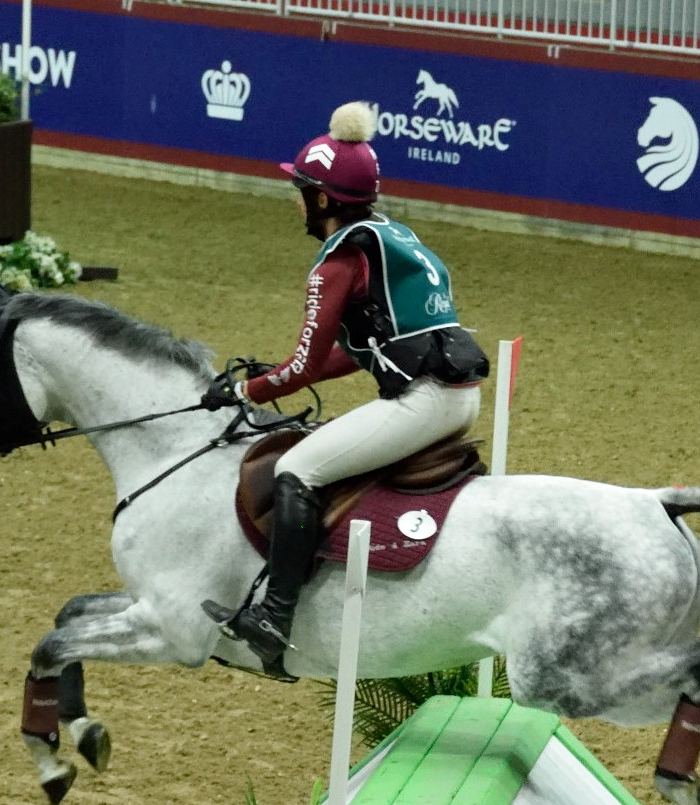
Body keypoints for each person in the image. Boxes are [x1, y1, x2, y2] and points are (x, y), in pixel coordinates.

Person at [201, 101, 489, 673]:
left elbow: (304, 367)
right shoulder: (392, 237)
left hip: (424, 403)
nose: (298, 201)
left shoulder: (339, 261)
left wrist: (246, 392)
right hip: (457, 395)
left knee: (296, 469)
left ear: (324, 200)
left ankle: (274, 618)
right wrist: (269, 376)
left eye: (302, 191)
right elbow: (356, 355)